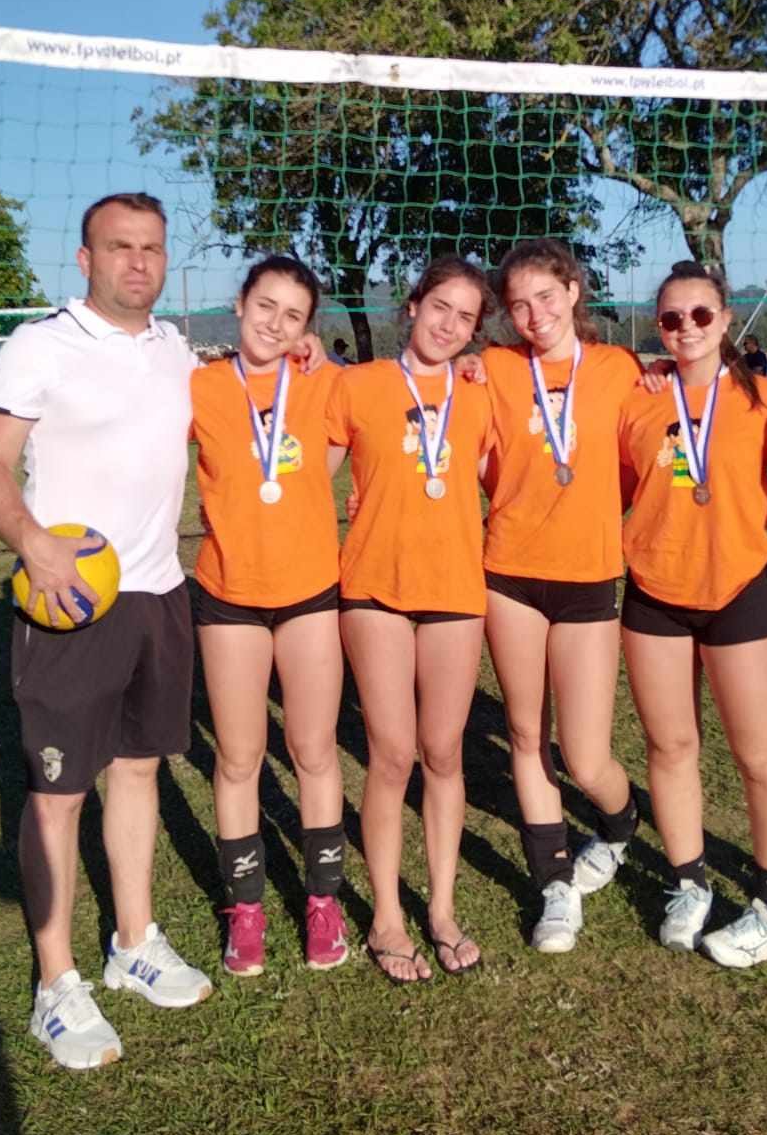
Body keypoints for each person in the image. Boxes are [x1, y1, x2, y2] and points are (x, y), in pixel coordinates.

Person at [0, 194, 322, 1070]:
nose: (137, 262)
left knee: (138, 771)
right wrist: (32, 543)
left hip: (161, 595)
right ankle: (57, 982)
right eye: (119, 247)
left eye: (152, 248)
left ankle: (133, 942)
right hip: (73, 600)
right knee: (57, 794)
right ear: (85, 258)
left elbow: (252, 386)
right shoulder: (39, 345)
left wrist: (307, 348)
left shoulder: (175, 353)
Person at [618, 262, 767, 967]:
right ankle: (689, 883)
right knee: (671, 748)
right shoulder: (637, 401)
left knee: (761, 756)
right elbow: (611, 486)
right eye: (672, 318)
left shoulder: (766, 398)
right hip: (654, 593)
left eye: (701, 315)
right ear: (658, 327)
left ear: (726, 320)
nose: (687, 328)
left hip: (737, 591)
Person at [325, 257, 496, 982]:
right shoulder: (357, 385)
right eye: (440, 307)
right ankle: (388, 918)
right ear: (413, 305)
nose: (449, 325)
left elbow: (508, 477)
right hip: (374, 586)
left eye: (466, 317)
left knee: (445, 752)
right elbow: (310, 475)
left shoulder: (483, 391)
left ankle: (443, 910)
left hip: (456, 588)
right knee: (392, 754)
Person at [479, 239, 646, 952]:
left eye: (545, 296)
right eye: (518, 305)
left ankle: (621, 823)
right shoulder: (493, 368)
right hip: (509, 573)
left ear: (574, 291)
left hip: (587, 575)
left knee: (584, 756)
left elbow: (651, 451)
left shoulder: (619, 368)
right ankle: (554, 885)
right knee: (526, 736)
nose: (534, 314)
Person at [190, 257, 350, 975]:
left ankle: (323, 902)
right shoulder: (199, 386)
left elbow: (360, 426)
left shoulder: (324, 381)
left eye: (293, 316)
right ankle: (246, 910)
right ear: (240, 303)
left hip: (310, 590)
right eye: (266, 306)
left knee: (313, 751)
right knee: (237, 757)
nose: (276, 324)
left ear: (308, 327)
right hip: (229, 594)